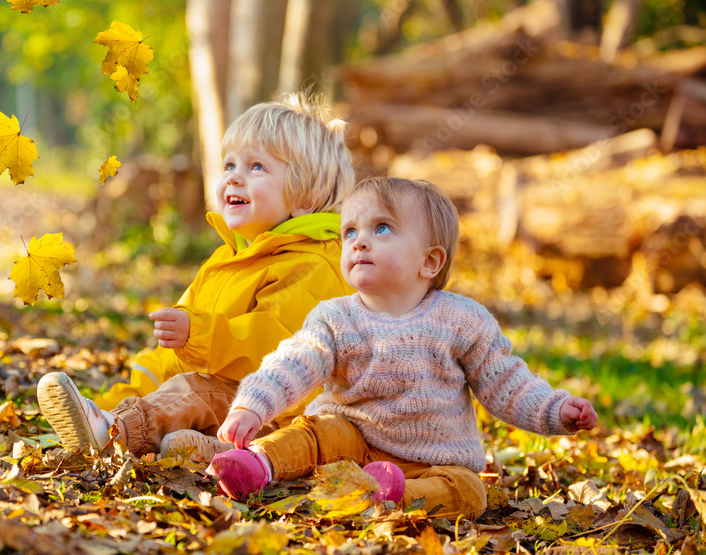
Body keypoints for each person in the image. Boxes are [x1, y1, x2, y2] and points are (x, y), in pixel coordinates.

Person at [208, 177, 598, 520]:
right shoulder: (334, 317)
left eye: (381, 228)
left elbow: (505, 381)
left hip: (434, 461)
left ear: (429, 261)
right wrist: (253, 403)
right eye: (349, 232)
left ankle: (394, 496)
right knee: (318, 431)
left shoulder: (461, 320)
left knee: (469, 492)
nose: (359, 241)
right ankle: (259, 464)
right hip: (352, 441)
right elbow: (295, 361)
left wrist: (553, 409)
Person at [37, 92, 356, 458]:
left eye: (256, 168)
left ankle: (113, 430)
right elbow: (172, 357)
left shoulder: (314, 264)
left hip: (281, 412)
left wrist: (200, 334)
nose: (235, 178)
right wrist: (114, 396)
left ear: (306, 196)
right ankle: (200, 447)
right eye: (230, 165)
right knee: (190, 393)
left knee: (194, 390)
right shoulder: (227, 260)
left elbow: (277, 350)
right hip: (230, 402)